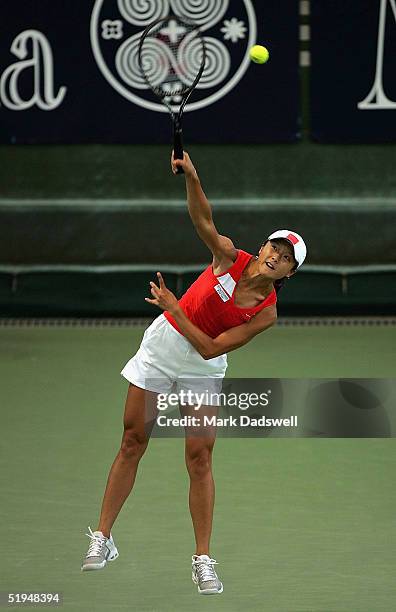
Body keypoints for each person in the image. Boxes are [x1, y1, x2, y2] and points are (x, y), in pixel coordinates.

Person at [81, 152, 307, 595]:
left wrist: (174, 307)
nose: (274, 255)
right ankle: (103, 539)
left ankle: (203, 560)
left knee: (199, 458)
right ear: (262, 249)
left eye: (285, 257)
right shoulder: (229, 257)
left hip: (201, 365)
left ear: (290, 273)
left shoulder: (266, 314)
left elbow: (208, 349)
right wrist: (193, 178)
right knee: (132, 440)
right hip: (162, 348)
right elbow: (203, 220)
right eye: (272, 247)